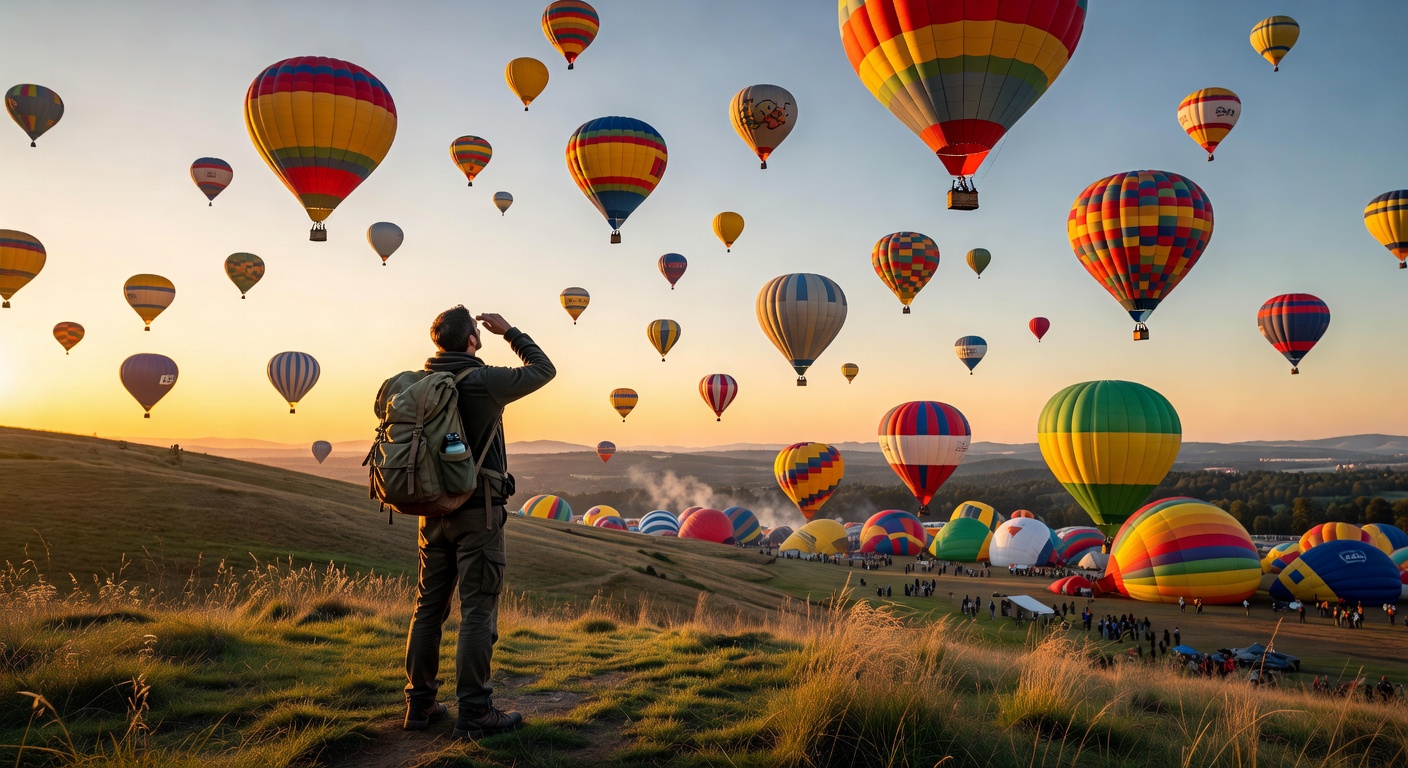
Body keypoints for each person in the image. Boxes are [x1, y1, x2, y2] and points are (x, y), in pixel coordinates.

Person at [402, 307, 555, 739]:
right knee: (477, 611)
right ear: (472, 339)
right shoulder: (484, 380)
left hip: (431, 511)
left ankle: (419, 705)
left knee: (428, 608)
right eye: (476, 331)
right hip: (479, 512)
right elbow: (544, 369)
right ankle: (475, 712)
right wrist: (510, 332)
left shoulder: (419, 383)